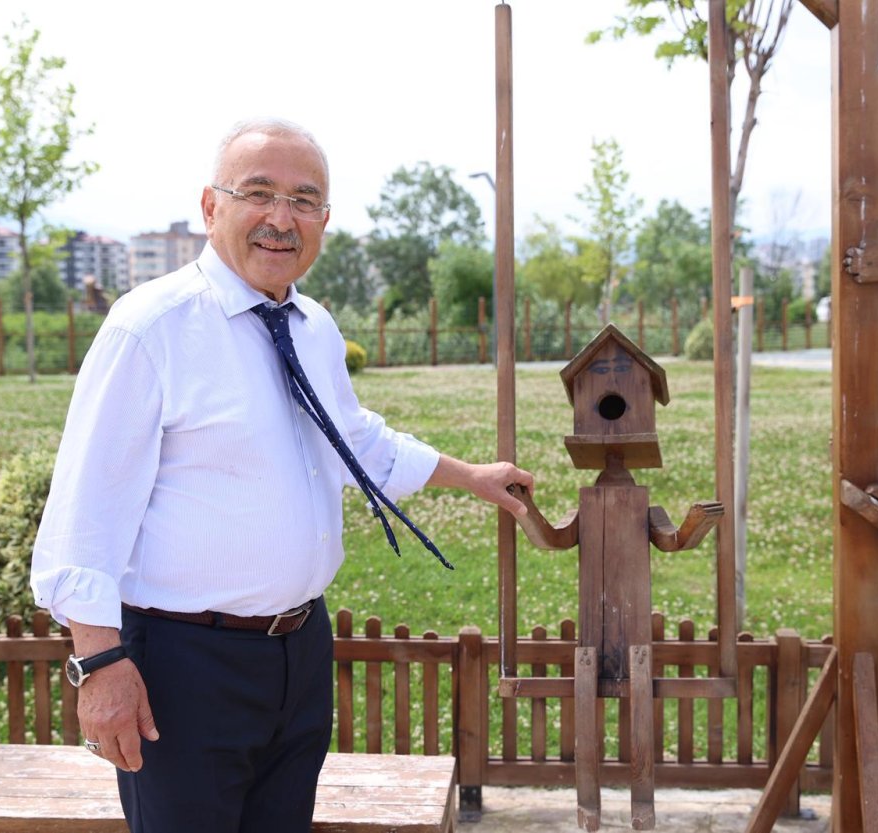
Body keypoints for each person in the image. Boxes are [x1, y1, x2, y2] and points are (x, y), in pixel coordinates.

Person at [30, 117, 533, 833]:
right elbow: (85, 512)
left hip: (300, 652)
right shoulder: (150, 328)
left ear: (324, 219)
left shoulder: (313, 326)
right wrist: (99, 664)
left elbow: (352, 437)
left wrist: (470, 476)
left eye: (304, 200)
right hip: (182, 665)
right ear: (211, 207)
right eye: (259, 193)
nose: (281, 217)